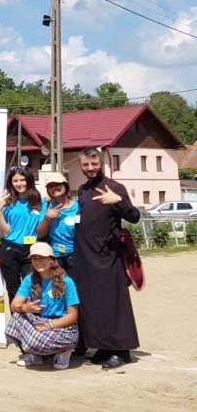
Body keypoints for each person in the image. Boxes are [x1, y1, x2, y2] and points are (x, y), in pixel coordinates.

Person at [74, 148, 140, 370]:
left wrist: (118, 200)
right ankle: (103, 346)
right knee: (93, 303)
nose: (90, 168)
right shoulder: (83, 191)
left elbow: (134, 217)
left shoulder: (115, 188)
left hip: (109, 256)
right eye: (86, 165)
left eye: (94, 164)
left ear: (101, 163)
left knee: (113, 302)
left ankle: (121, 350)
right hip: (85, 256)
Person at [5, 242, 80, 370]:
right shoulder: (30, 279)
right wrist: (26, 308)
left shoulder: (66, 281)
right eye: (34, 259)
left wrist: (50, 325)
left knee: (34, 340)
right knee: (15, 319)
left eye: (42, 258)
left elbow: (73, 315)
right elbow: (14, 305)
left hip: (61, 325)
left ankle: (63, 351)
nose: (38, 262)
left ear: (51, 260)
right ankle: (35, 355)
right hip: (40, 320)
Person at [0, 166, 46, 303]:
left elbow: (41, 231)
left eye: (22, 180)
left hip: (31, 250)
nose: (19, 184)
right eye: (15, 181)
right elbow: (4, 232)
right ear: (11, 183)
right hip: (10, 249)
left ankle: (33, 322)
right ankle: (17, 323)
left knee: (33, 289)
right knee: (13, 290)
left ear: (28, 180)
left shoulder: (39, 202)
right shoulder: (7, 203)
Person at [37, 172, 79, 276]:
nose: (54, 188)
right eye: (50, 186)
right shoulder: (47, 206)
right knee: (57, 289)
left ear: (65, 185)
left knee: (74, 289)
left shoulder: (78, 207)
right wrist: (47, 218)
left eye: (57, 184)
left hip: (75, 256)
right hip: (55, 257)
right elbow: (40, 234)